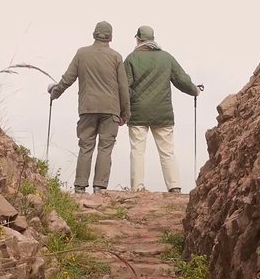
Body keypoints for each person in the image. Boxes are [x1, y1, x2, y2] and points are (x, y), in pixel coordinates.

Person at [48, 21, 130, 194]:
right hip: (111, 109)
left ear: (94, 35)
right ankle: (99, 187)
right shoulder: (116, 57)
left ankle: (79, 187)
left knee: (86, 146)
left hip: (87, 108)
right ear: (111, 37)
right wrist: (125, 112)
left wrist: (55, 93)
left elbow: (68, 78)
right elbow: (123, 87)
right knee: (105, 148)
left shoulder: (81, 54)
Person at [123, 25, 200, 193]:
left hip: (138, 112)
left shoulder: (130, 59)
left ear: (138, 39)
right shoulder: (166, 58)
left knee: (137, 150)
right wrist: (195, 90)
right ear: (152, 39)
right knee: (167, 151)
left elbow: (124, 87)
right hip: (162, 112)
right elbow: (182, 80)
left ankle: (137, 187)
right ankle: (174, 187)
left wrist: (124, 109)